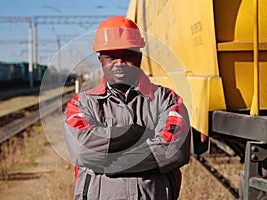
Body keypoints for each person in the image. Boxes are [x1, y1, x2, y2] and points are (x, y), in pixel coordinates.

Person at [64, 16, 191, 200]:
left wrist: (111, 163)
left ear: (139, 57)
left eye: (128, 55)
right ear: (101, 60)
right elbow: (83, 150)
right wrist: (134, 133)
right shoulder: (81, 104)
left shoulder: (167, 100)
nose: (120, 63)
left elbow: (174, 150)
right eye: (112, 57)